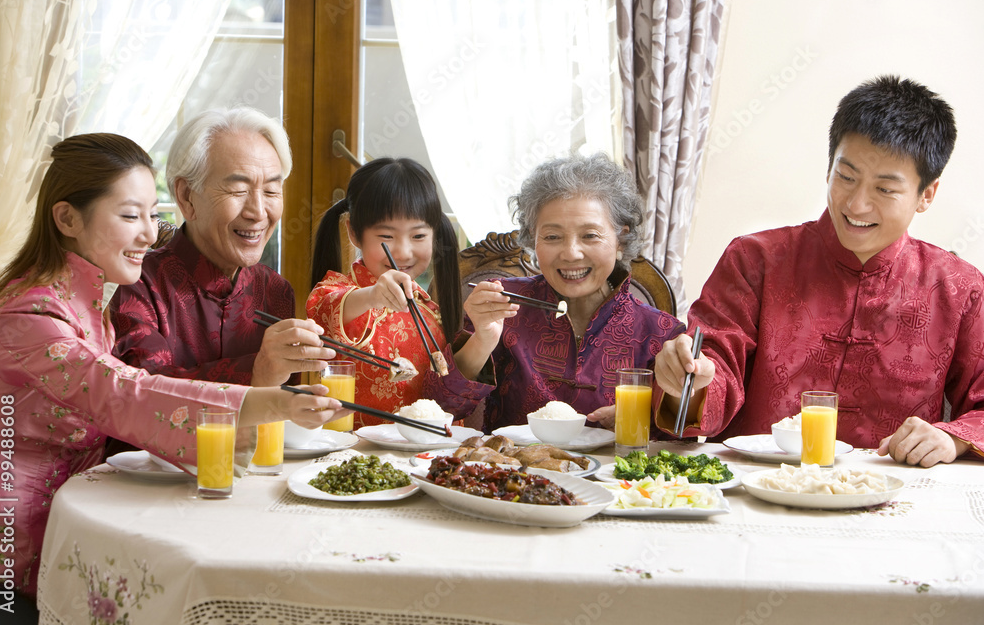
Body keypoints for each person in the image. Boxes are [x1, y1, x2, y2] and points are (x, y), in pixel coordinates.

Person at [0, 134, 343, 613]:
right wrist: (271, 400)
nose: (150, 234)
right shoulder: (29, 315)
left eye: (154, 214)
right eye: (131, 216)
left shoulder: (86, 298)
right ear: (67, 218)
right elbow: (123, 393)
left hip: (83, 533)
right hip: (10, 561)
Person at [654, 75, 984, 467]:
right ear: (828, 167)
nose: (857, 205)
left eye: (885, 190)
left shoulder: (960, 287)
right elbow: (713, 368)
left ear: (925, 195)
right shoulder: (755, 260)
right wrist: (688, 383)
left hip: (893, 495)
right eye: (846, 177)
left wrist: (953, 437)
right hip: (760, 489)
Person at [424, 153, 685, 433]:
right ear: (532, 239)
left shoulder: (662, 332)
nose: (571, 253)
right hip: (515, 472)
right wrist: (482, 340)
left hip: (616, 474)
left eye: (590, 235)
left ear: (620, 240)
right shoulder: (504, 306)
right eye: (552, 237)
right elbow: (439, 408)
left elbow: (681, 436)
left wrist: (643, 414)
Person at [111, 107, 331, 387]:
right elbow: (142, 395)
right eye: (239, 190)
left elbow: (281, 415)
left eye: (272, 191)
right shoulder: (137, 284)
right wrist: (256, 371)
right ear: (186, 196)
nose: (259, 212)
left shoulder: (275, 291)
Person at [307, 158, 463, 425]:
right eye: (387, 237)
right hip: (354, 454)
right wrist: (373, 295)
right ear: (355, 233)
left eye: (418, 236)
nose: (403, 252)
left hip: (425, 454)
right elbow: (325, 312)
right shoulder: (338, 290)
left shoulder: (430, 309)